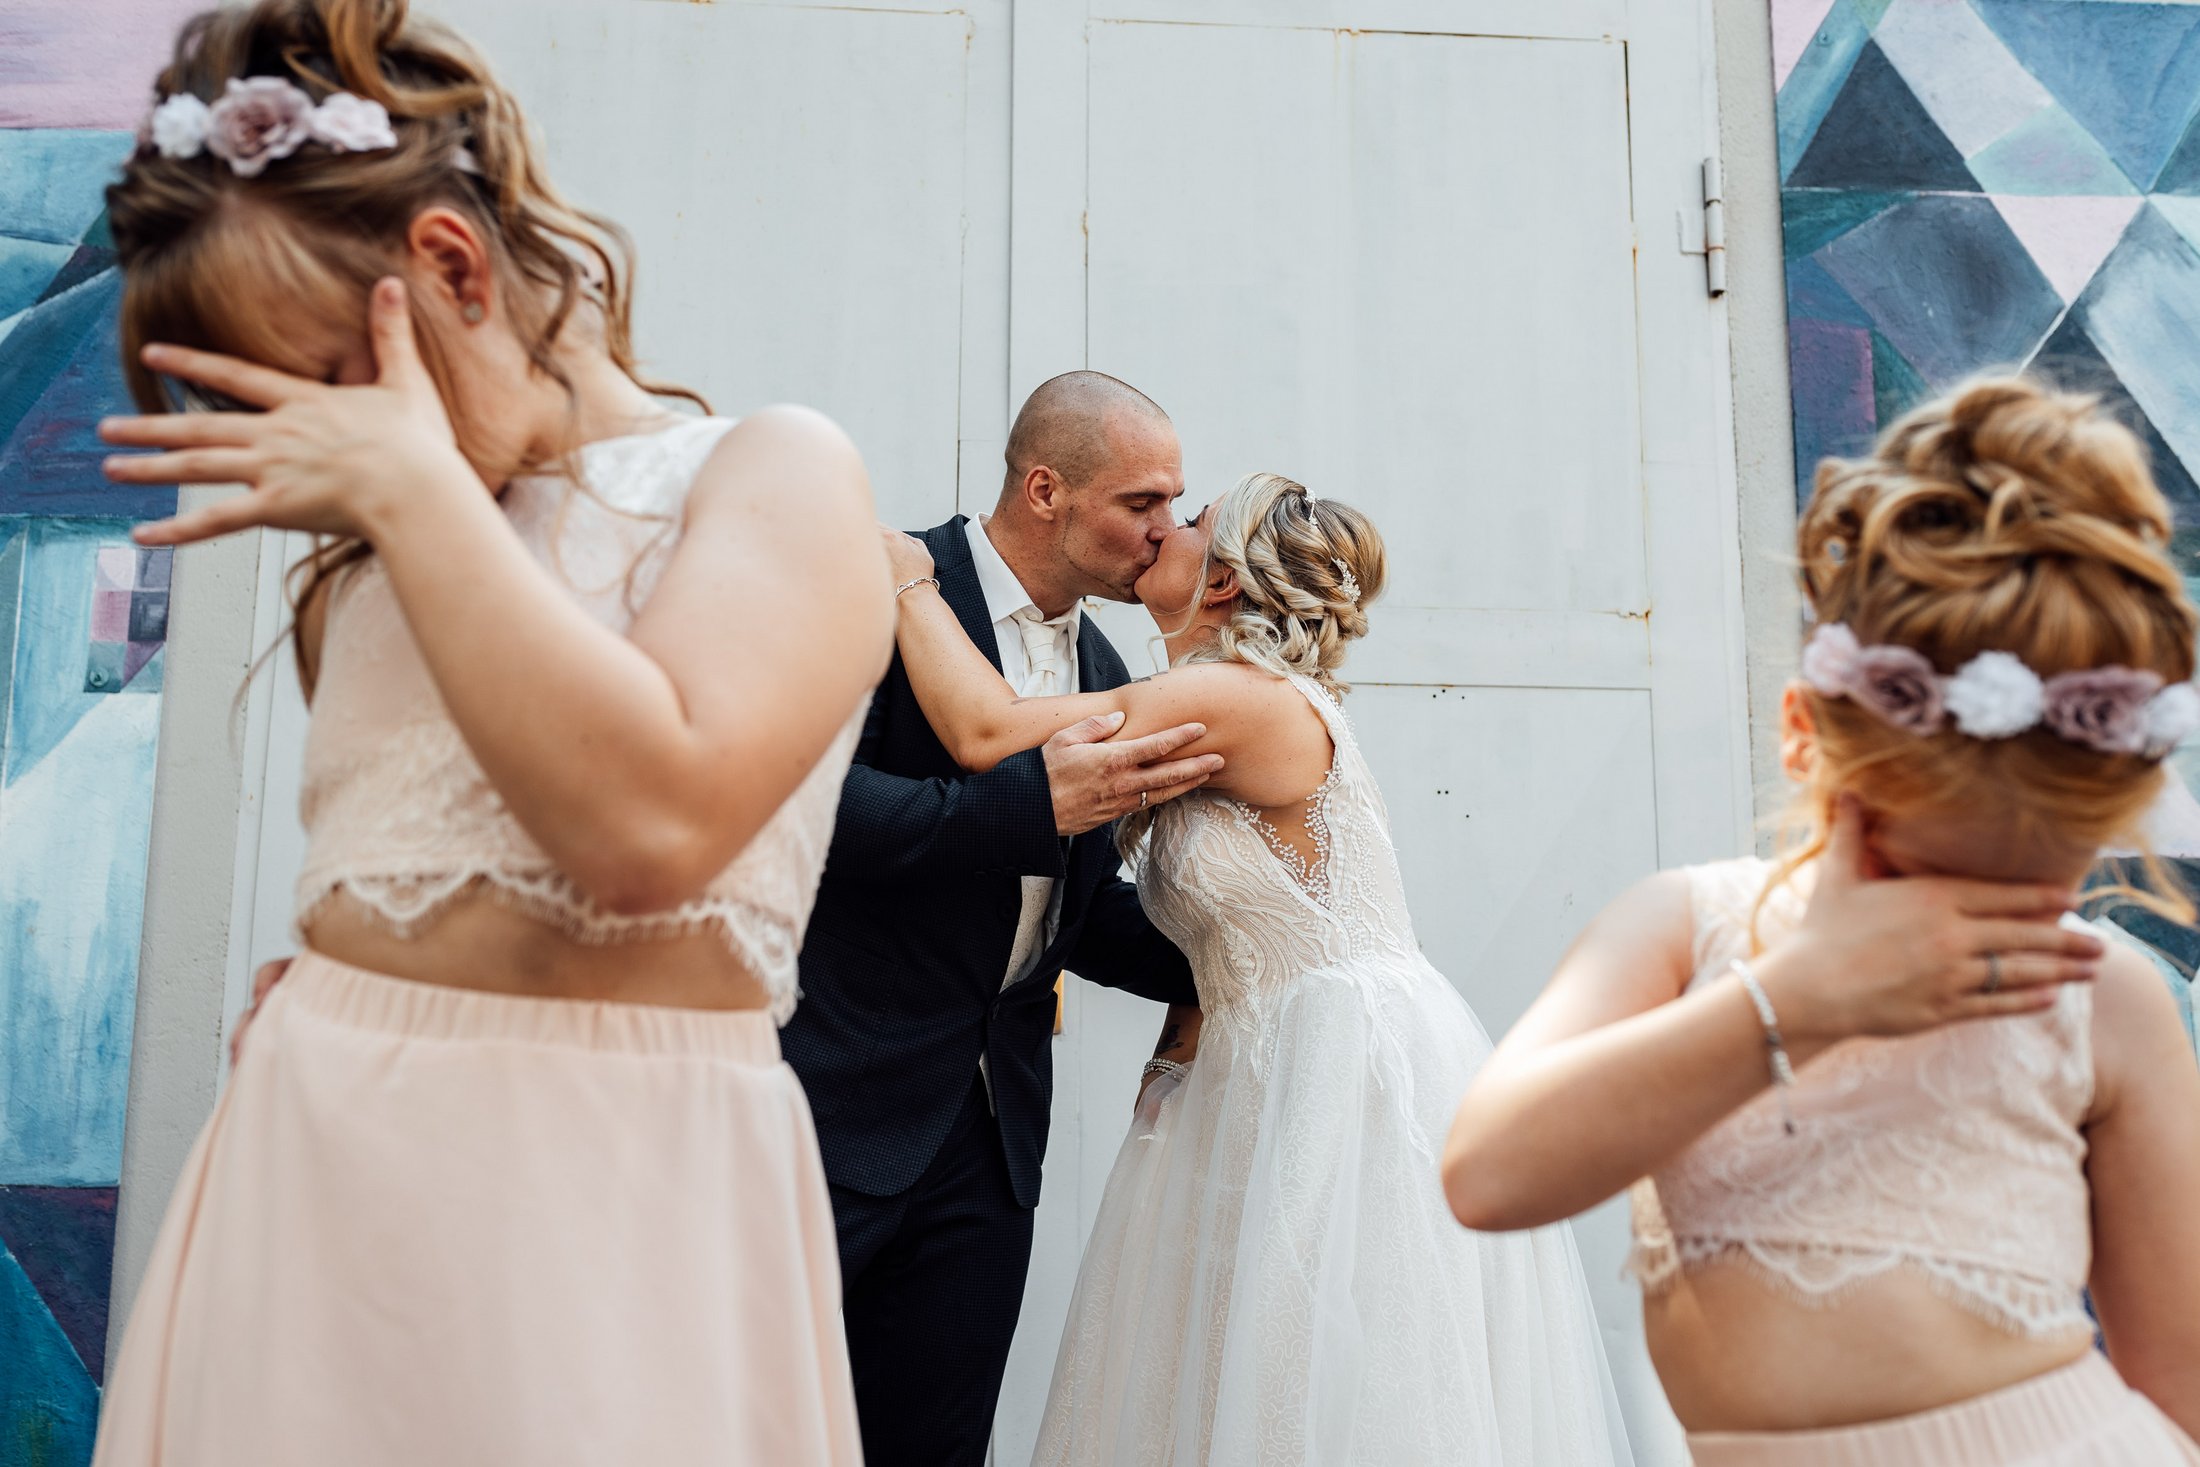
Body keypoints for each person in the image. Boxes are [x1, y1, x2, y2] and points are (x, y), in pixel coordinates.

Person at [89, 3, 888, 1461]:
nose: (320, 463)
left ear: (448, 268)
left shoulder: (770, 473)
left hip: (619, 1206)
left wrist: (413, 493)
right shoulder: (379, 563)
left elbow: (650, 830)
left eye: (325, 392)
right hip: (318, 1173)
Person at [1443, 376, 2200, 1465]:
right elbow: (1488, 1174)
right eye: (1930, 870)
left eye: (2041, 880)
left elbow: (2178, 1386)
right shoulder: (1685, 930)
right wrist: (1795, 1001)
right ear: (1805, 737)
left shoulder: (2096, 995)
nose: (1979, 920)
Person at [881, 471, 1633, 1465]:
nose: (1162, 532)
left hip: (1340, 1069)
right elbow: (1230, 936)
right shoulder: (1213, 695)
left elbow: (986, 737)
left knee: (1335, 1368)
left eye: (1187, 522)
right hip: (1247, 1065)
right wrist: (1175, 1054)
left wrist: (907, 588)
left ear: (1227, 579)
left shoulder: (1234, 697)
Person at [782, 370, 1220, 1465]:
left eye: (1174, 504)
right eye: (1141, 504)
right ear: (1044, 491)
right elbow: (798, 804)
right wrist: (1024, 808)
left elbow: (1061, 910)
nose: (1163, 531)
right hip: (829, 1107)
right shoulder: (877, 590)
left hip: (991, 1146)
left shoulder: (1107, 668)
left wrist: (1232, 955)